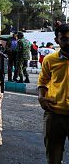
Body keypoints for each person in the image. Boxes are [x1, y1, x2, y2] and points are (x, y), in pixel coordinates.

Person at [38, 23, 69, 164]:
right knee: (53, 157)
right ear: (57, 40)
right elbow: (42, 81)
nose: (68, 42)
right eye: (64, 39)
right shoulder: (50, 60)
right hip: (54, 114)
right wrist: (41, 97)